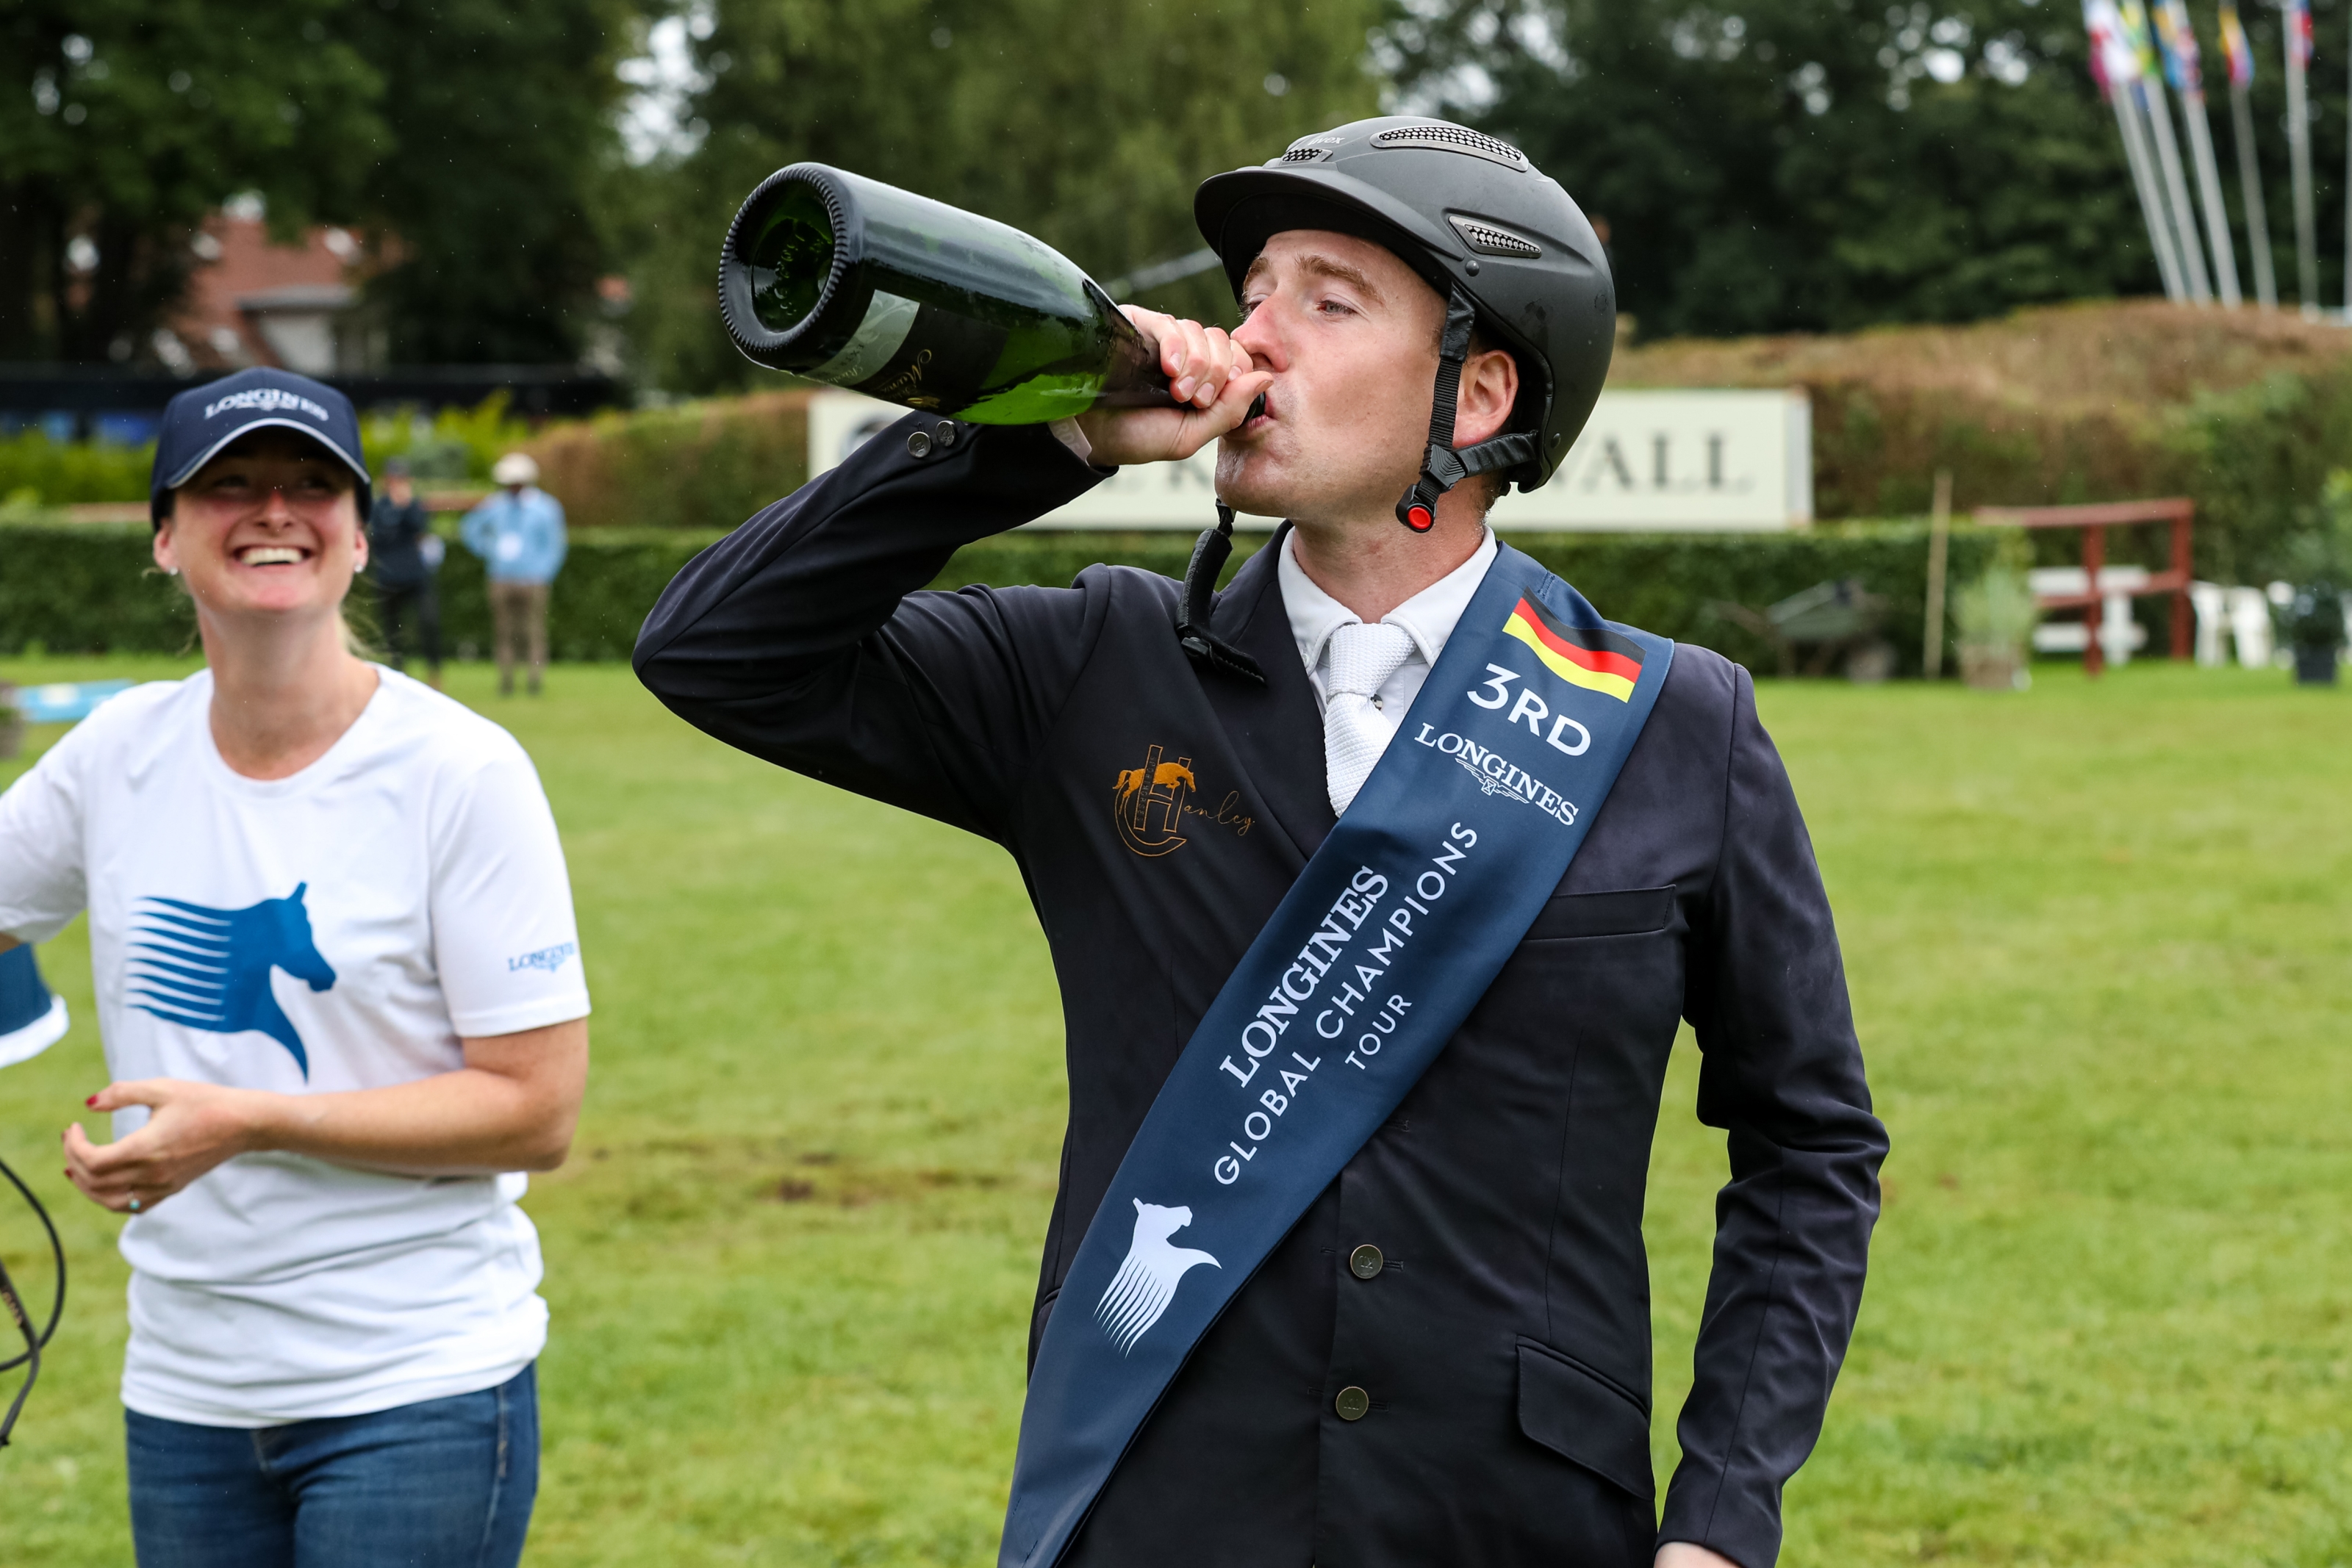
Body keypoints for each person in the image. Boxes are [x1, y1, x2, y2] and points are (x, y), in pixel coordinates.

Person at [635, 118, 1885, 1568]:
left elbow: (1809, 1144)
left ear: (1480, 393)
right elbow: (716, 649)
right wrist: (1045, 438)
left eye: (1328, 301)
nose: (1252, 338)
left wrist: (1724, 1514)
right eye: (1253, 292)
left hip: (1515, 1519)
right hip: (1161, 1503)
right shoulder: (1094, 664)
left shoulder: (1672, 721)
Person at [0, 366, 592, 1568]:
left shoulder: (462, 772)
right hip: (185, 1393)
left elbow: (537, 1109)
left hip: (417, 1386)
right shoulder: (118, 752)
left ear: (360, 536)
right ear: (165, 537)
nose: (275, 509)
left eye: (313, 483)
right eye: (230, 485)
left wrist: (252, 1119)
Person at [463, 452, 567, 697]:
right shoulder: (495, 504)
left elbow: (555, 544)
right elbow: (470, 528)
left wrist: (544, 572)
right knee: (504, 631)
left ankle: (534, 678)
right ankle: (506, 678)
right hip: (501, 577)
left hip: (533, 580)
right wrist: (489, 550)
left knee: (533, 630)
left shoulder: (546, 508)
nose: (514, 487)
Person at [365, 456, 445, 687]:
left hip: (415, 575)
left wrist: (404, 507)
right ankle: (398, 673)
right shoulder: (379, 506)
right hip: (389, 577)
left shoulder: (414, 504)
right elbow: (379, 536)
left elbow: (420, 528)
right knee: (393, 630)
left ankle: (434, 671)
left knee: (429, 622)